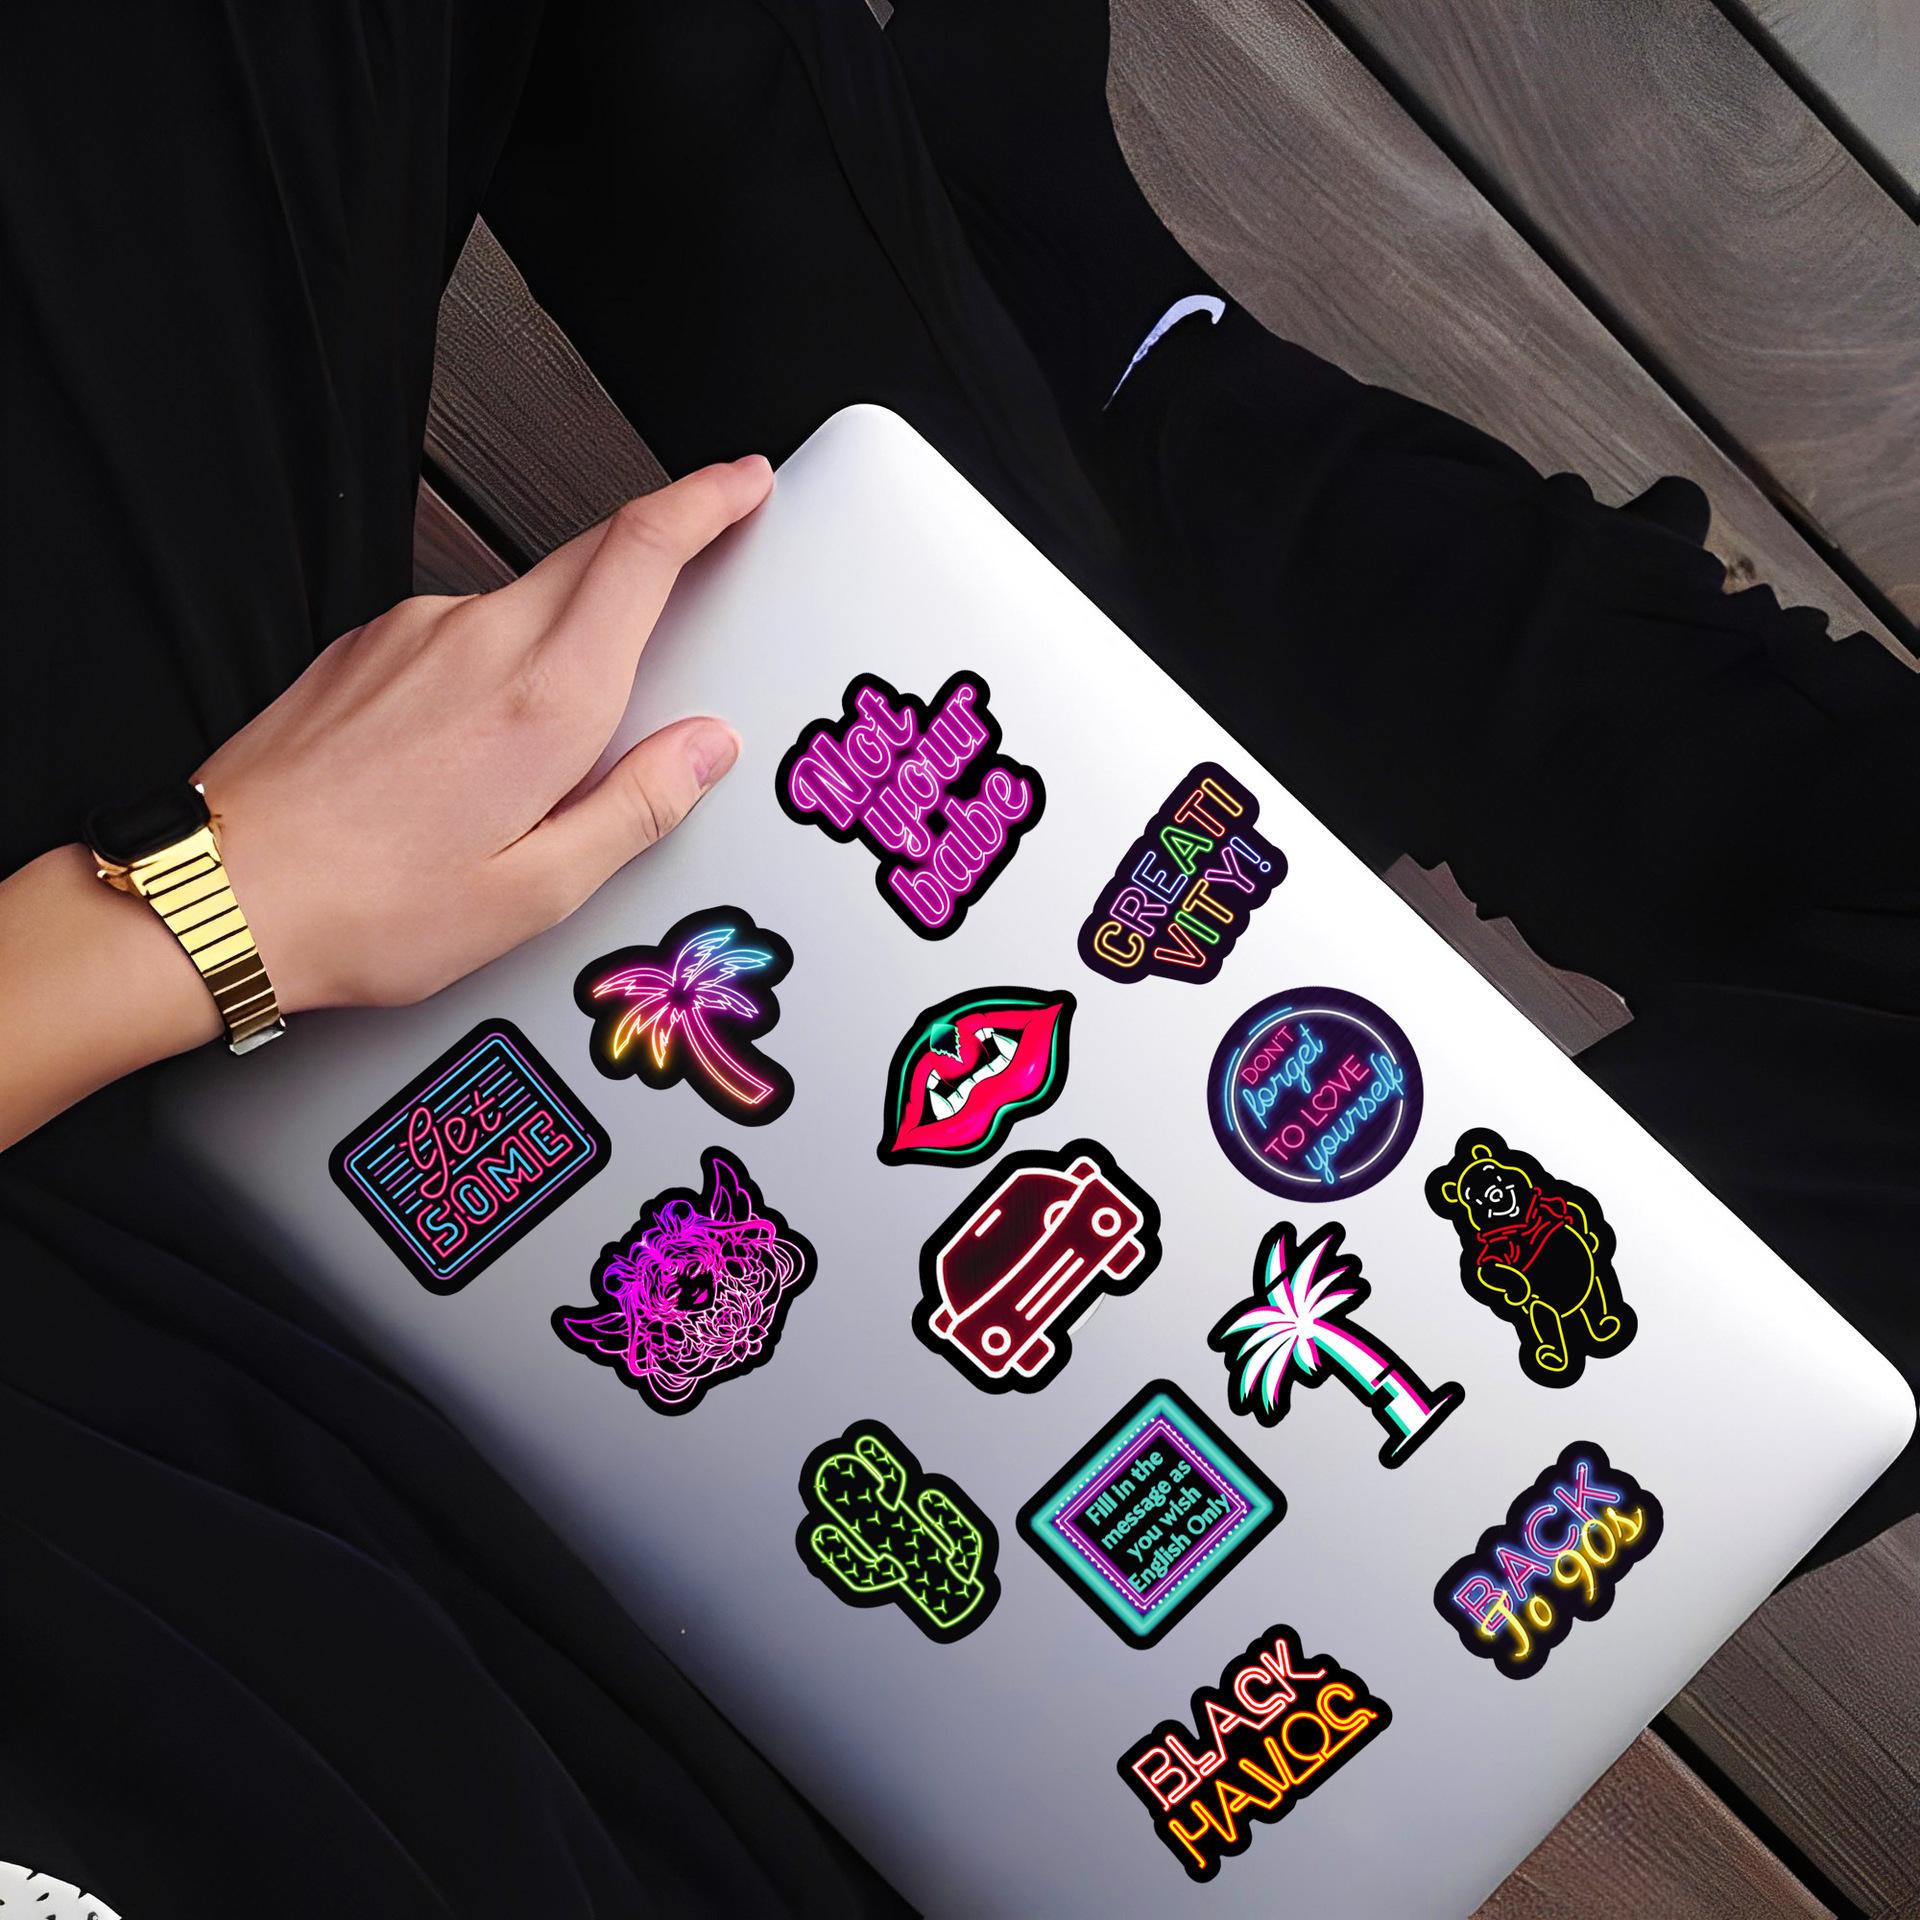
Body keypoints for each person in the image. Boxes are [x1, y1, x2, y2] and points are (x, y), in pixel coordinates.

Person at [3, 0, 1913, 1912]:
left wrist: (202, 913)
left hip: (107, 1145)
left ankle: (1123, 491)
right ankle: (1141, 431)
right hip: (894, 1806)